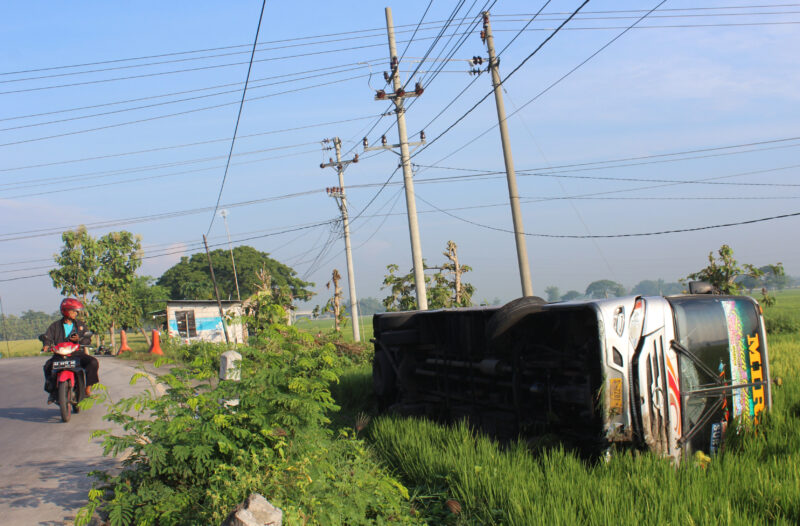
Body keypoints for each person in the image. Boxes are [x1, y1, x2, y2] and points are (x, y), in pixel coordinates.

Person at [42, 298, 99, 402]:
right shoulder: (54, 326)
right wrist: (46, 345)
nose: (75, 313)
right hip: (59, 355)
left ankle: (87, 389)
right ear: (65, 311)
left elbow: (87, 338)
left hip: (77, 354)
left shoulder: (80, 325)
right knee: (47, 366)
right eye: (73, 311)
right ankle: (52, 392)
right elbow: (48, 337)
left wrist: (80, 339)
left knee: (93, 362)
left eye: (76, 311)